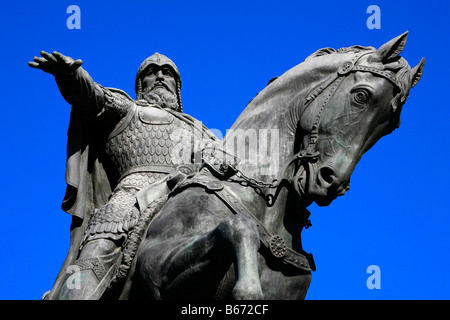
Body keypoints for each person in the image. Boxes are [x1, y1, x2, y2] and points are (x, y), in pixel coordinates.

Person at [29, 51, 218, 299]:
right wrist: (71, 75)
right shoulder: (128, 109)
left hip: (189, 198)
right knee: (93, 259)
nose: (160, 76)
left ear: (177, 86)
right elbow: (92, 97)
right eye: (151, 72)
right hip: (129, 201)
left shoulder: (203, 132)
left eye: (167, 72)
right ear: (141, 84)